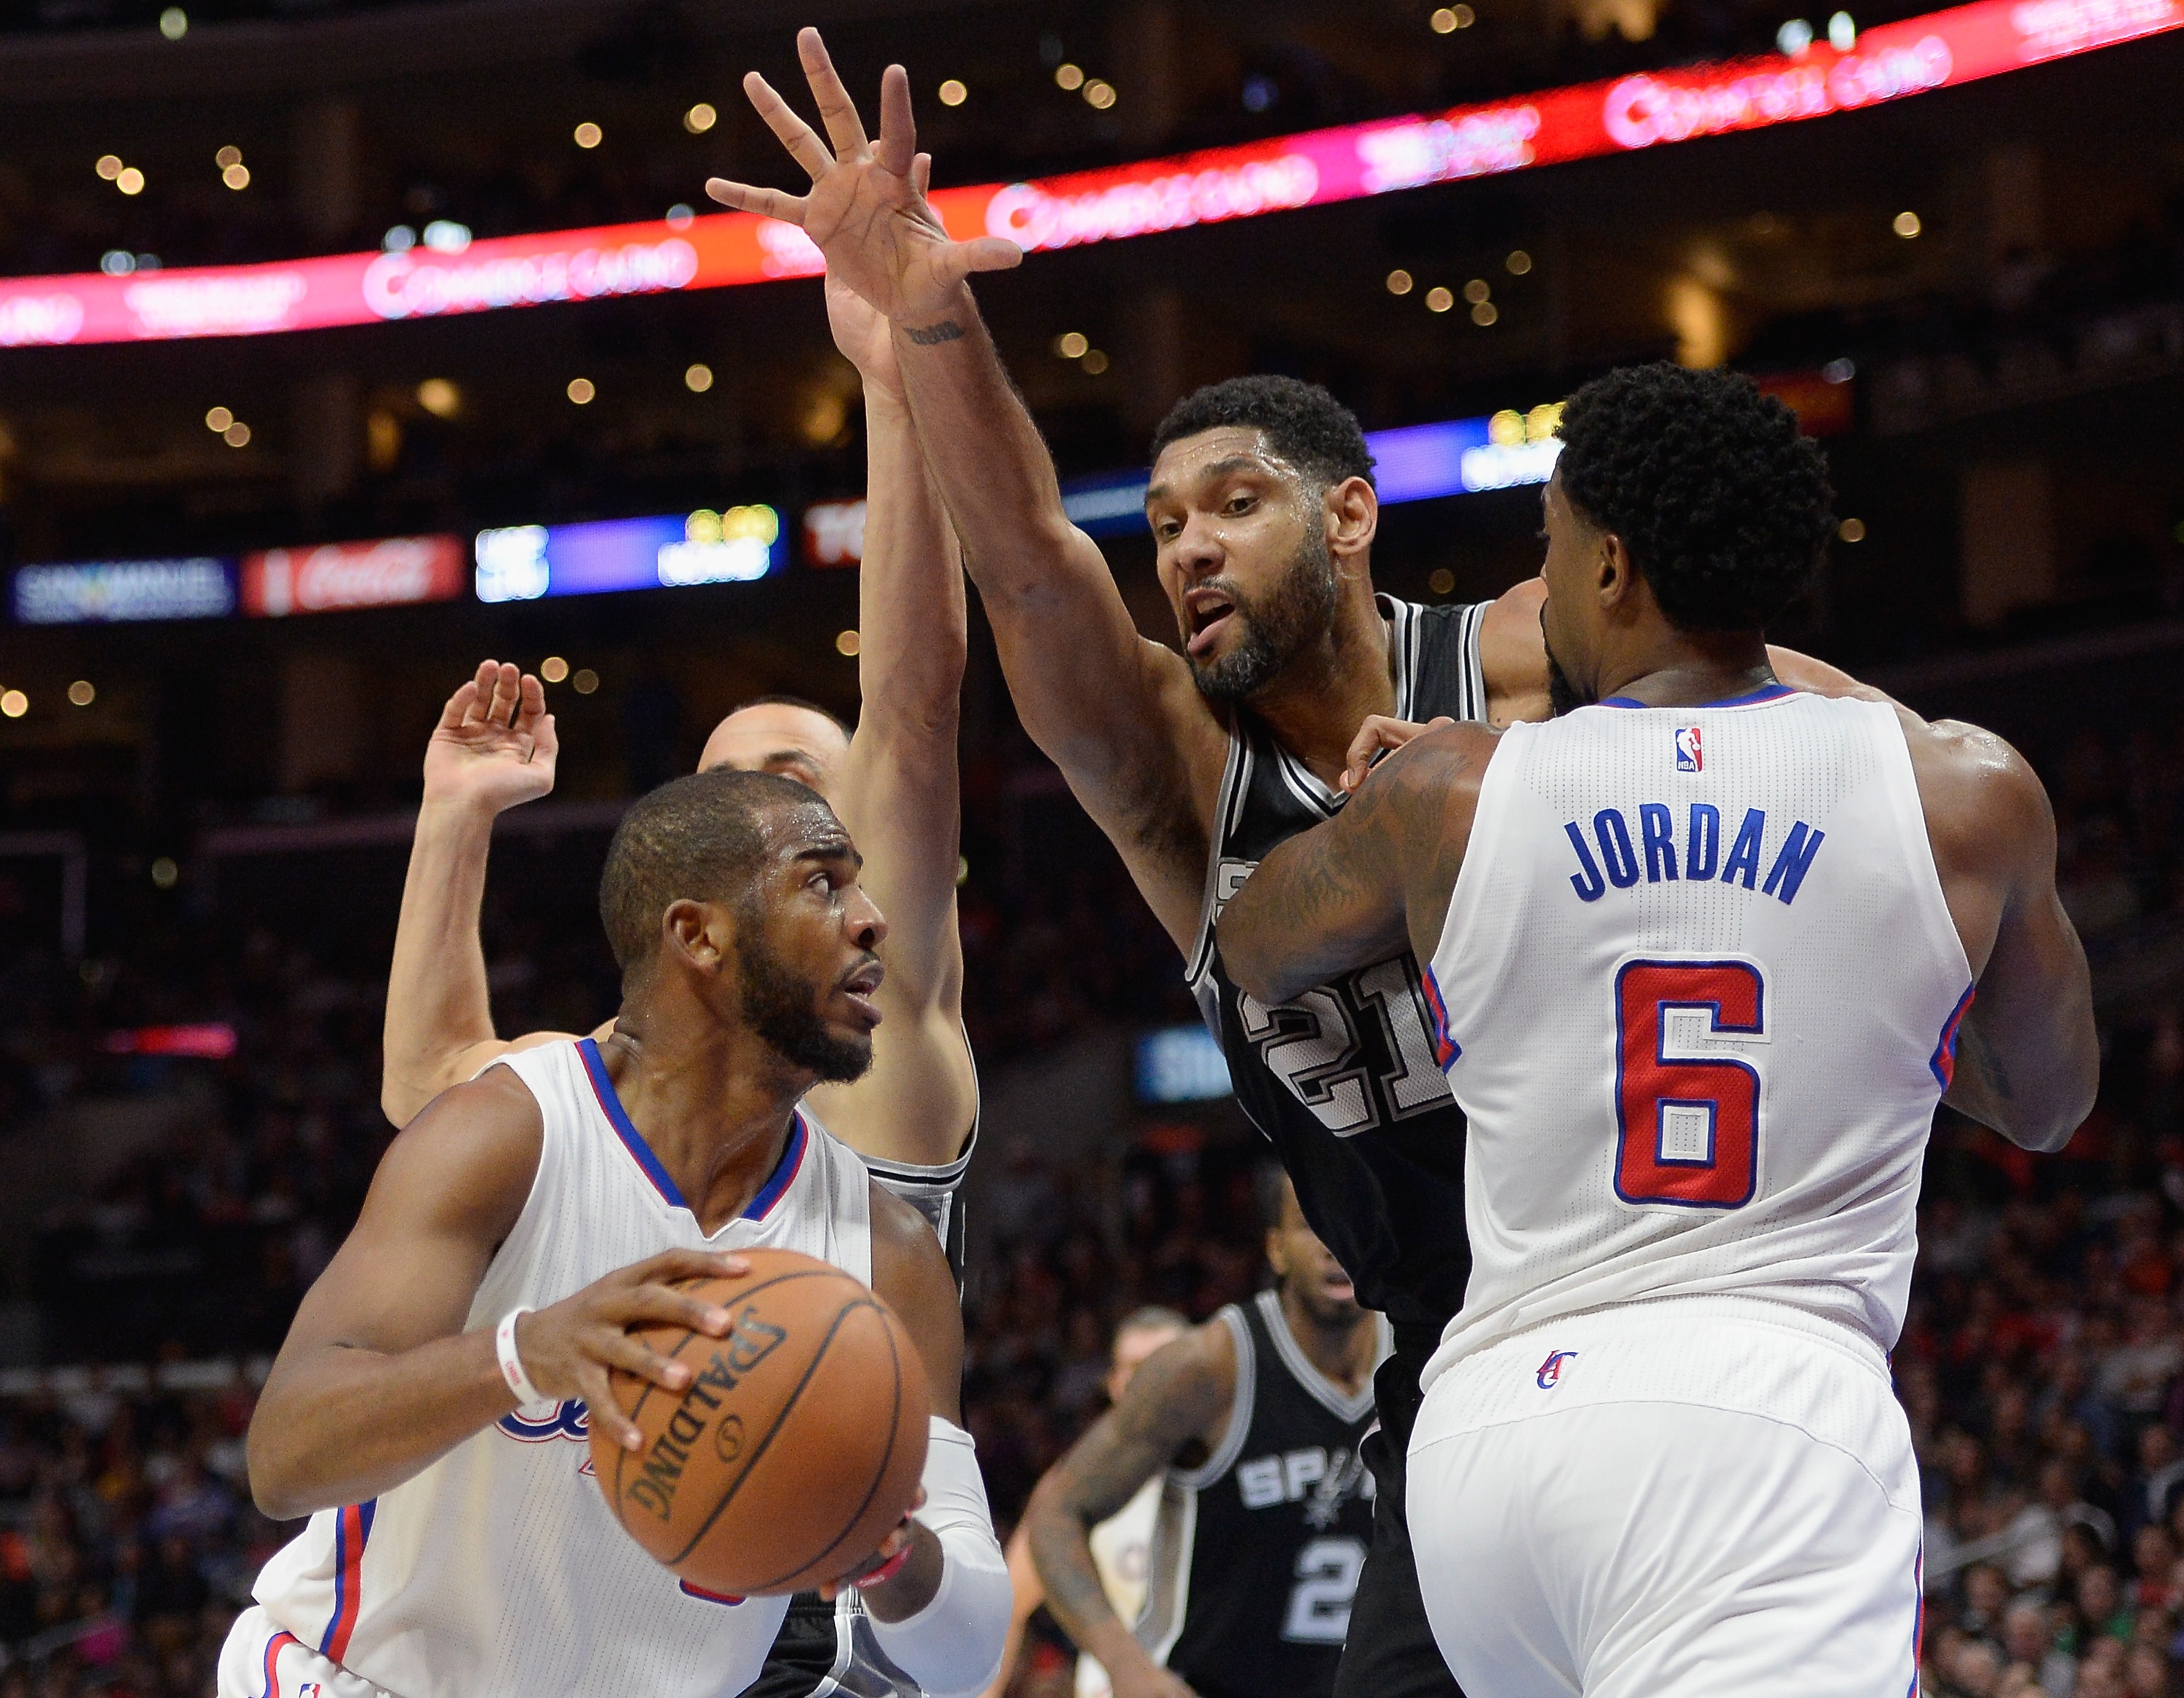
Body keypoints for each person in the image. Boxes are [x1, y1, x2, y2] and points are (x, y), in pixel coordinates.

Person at [703, 31, 1883, 1698]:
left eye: (1232, 503)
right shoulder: (1181, 784)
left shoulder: (1536, 658)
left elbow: (1869, 757)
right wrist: (930, 319)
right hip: (1453, 1386)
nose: (1183, 545)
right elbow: (1033, 576)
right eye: (1166, 518)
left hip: (1672, 1322)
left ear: (1346, 516)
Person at [1215, 362, 2100, 1695]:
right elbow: (2044, 1099)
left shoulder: (1454, 791)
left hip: (1491, 1441)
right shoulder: (1962, 793)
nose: (1539, 584)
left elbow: (1253, 946)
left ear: (1614, 565)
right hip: (1758, 1423)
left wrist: (1388, 814)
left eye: (1551, 547)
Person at [220, 768, 1011, 1698]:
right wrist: (526, 1357)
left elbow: (966, 1653)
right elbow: (284, 1458)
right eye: (823, 881)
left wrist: (882, 1543)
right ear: (698, 935)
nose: (870, 917)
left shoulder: (886, 1254)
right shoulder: (510, 1133)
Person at [379, 261, 976, 1255]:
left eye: (792, 777)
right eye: (723, 786)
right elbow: (428, 1078)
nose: (752, 801)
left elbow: (912, 708)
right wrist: (456, 811)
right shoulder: (614, 1081)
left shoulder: (881, 1027)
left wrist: (890, 383)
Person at [1021, 1170, 1382, 1698]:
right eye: (1312, 1225)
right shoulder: (1210, 1368)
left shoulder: (1425, 1359)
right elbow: (1056, 1512)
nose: (1337, 1243)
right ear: (1276, 1249)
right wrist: (1128, 1668)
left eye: (1354, 1219)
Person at [981, 1307, 1190, 1698]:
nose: (1145, 1380)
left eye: (1161, 1365)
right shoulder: (1076, 1487)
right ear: (1112, 1384)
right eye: (1131, 1368)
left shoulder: (1241, 1474)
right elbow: (1007, 1606)